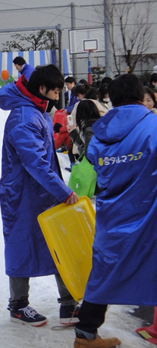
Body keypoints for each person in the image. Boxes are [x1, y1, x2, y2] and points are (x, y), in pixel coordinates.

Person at [73, 73, 157, 347]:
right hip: (149, 215)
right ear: (140, 96)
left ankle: (85, 335)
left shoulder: (99, 134)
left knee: (104, 275)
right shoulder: (153, 125)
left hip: (112, 216)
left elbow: (98, 168)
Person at [0, 64, 79, 327]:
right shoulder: (23, 118)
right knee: (21, 244)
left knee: (58, 245)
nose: (58, 97)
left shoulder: (35, 111)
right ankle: (18, 304)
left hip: (41, 193)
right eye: (55, 92)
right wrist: (63, 192)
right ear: (42, 89)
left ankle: (69, 304)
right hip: (22, 196)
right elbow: (36, 163)